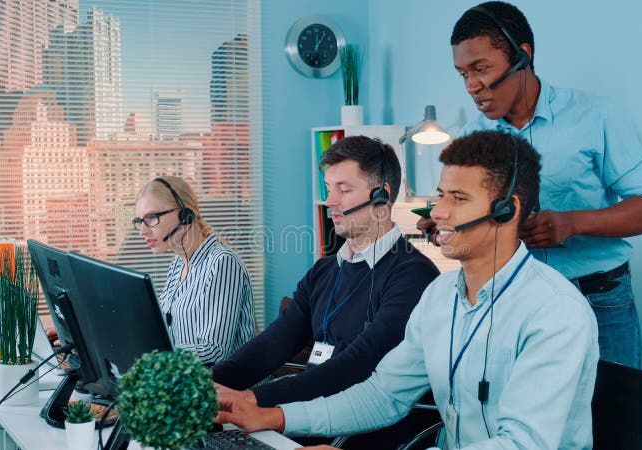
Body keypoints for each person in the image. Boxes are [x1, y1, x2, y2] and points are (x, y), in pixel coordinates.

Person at [217, 130, 600, 449]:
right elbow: (384, 395)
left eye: (459, 198)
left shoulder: (555, 313)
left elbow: (521, 444)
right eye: (441, 194)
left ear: (507, 210)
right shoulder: (441, 296)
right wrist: (274, 417)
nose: (437, 213)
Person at [419, 1, 642, 367]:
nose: (472, 86)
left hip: (599, 299)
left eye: (481, 69)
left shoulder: (597, 116)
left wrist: (572, 223)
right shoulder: (473, 137)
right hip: (514, 301)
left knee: (611, 421)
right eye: (463, 74)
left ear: (523, 56)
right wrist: (448, 223)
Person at [212, 135, 440, 448]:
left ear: (380, 197)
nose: (330, 200)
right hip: (304, 422)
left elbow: (357, 366)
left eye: (343, 189)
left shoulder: (414, 277)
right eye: (328, 188)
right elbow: (274, 342)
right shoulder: (326, 269)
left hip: (359, 436)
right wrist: (207, 387)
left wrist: (251, 399)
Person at [133, 175, 255, 364]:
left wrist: (156, 357)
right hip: (186, 382)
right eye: (140, 221)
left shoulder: (222, 263)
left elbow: (214, 351)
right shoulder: (178, 263)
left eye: (152, 218)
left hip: (228, 388)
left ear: (185, 215)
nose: (143, 231)